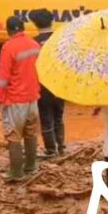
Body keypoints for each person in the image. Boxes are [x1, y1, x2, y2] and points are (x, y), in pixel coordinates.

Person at [0, 16, 41, 182]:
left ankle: (16, 173)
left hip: (15, 100)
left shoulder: (8, 47)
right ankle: (31, 167)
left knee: (14, 136)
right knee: (31, 133)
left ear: (9, 30)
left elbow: (2, 77)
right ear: (23, 28)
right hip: (33, 98)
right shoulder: (34, 45)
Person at [28, 9, 66, 158]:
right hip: (59, 85)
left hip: (42, 86)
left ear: (35, 24)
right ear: (52, 21)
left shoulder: (33, 42)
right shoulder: (60, 40)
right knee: (59, 116)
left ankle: (51, 150)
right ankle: (61, 147)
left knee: (46, 118)